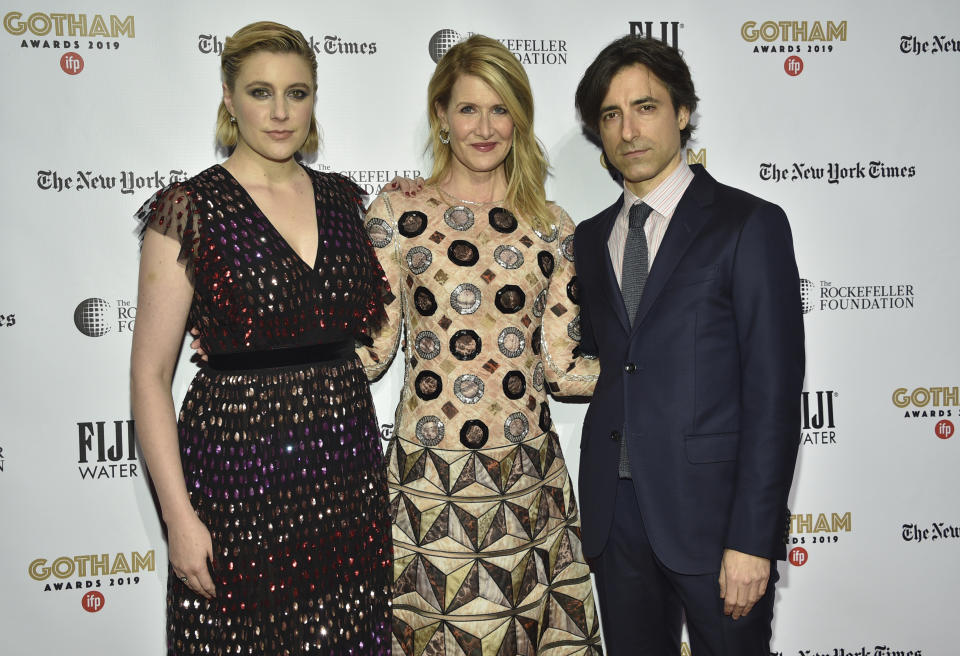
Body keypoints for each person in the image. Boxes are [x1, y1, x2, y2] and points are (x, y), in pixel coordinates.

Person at [130, 21, 392, 654]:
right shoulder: (189, 209)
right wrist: (180, 518)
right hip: (237, 474)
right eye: (260, 92)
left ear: (314, 98)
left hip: (343, 469)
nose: (280, 112)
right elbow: (148, 377)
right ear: (228, 96)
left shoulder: (342, 199)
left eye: (296, 93)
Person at [359, 35, 603, 655]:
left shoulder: (551, 224)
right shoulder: (397, 211)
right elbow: (372, 351)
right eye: (469, 109)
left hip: (526, 482)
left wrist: (673, 363)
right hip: (427, 481)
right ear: (441, 115)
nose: (485, 127)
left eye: (501, 110)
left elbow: (564, 368)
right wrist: (262, 344)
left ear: (518, 119)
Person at [571, 35, 805, 655]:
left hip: (716, 525)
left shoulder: (748, 224)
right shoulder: (591, 239)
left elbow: (774, 397)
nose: (629, 129)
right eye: (611, 115)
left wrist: (753, 539)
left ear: (681, 113)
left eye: (645, 107)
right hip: (616, 520)